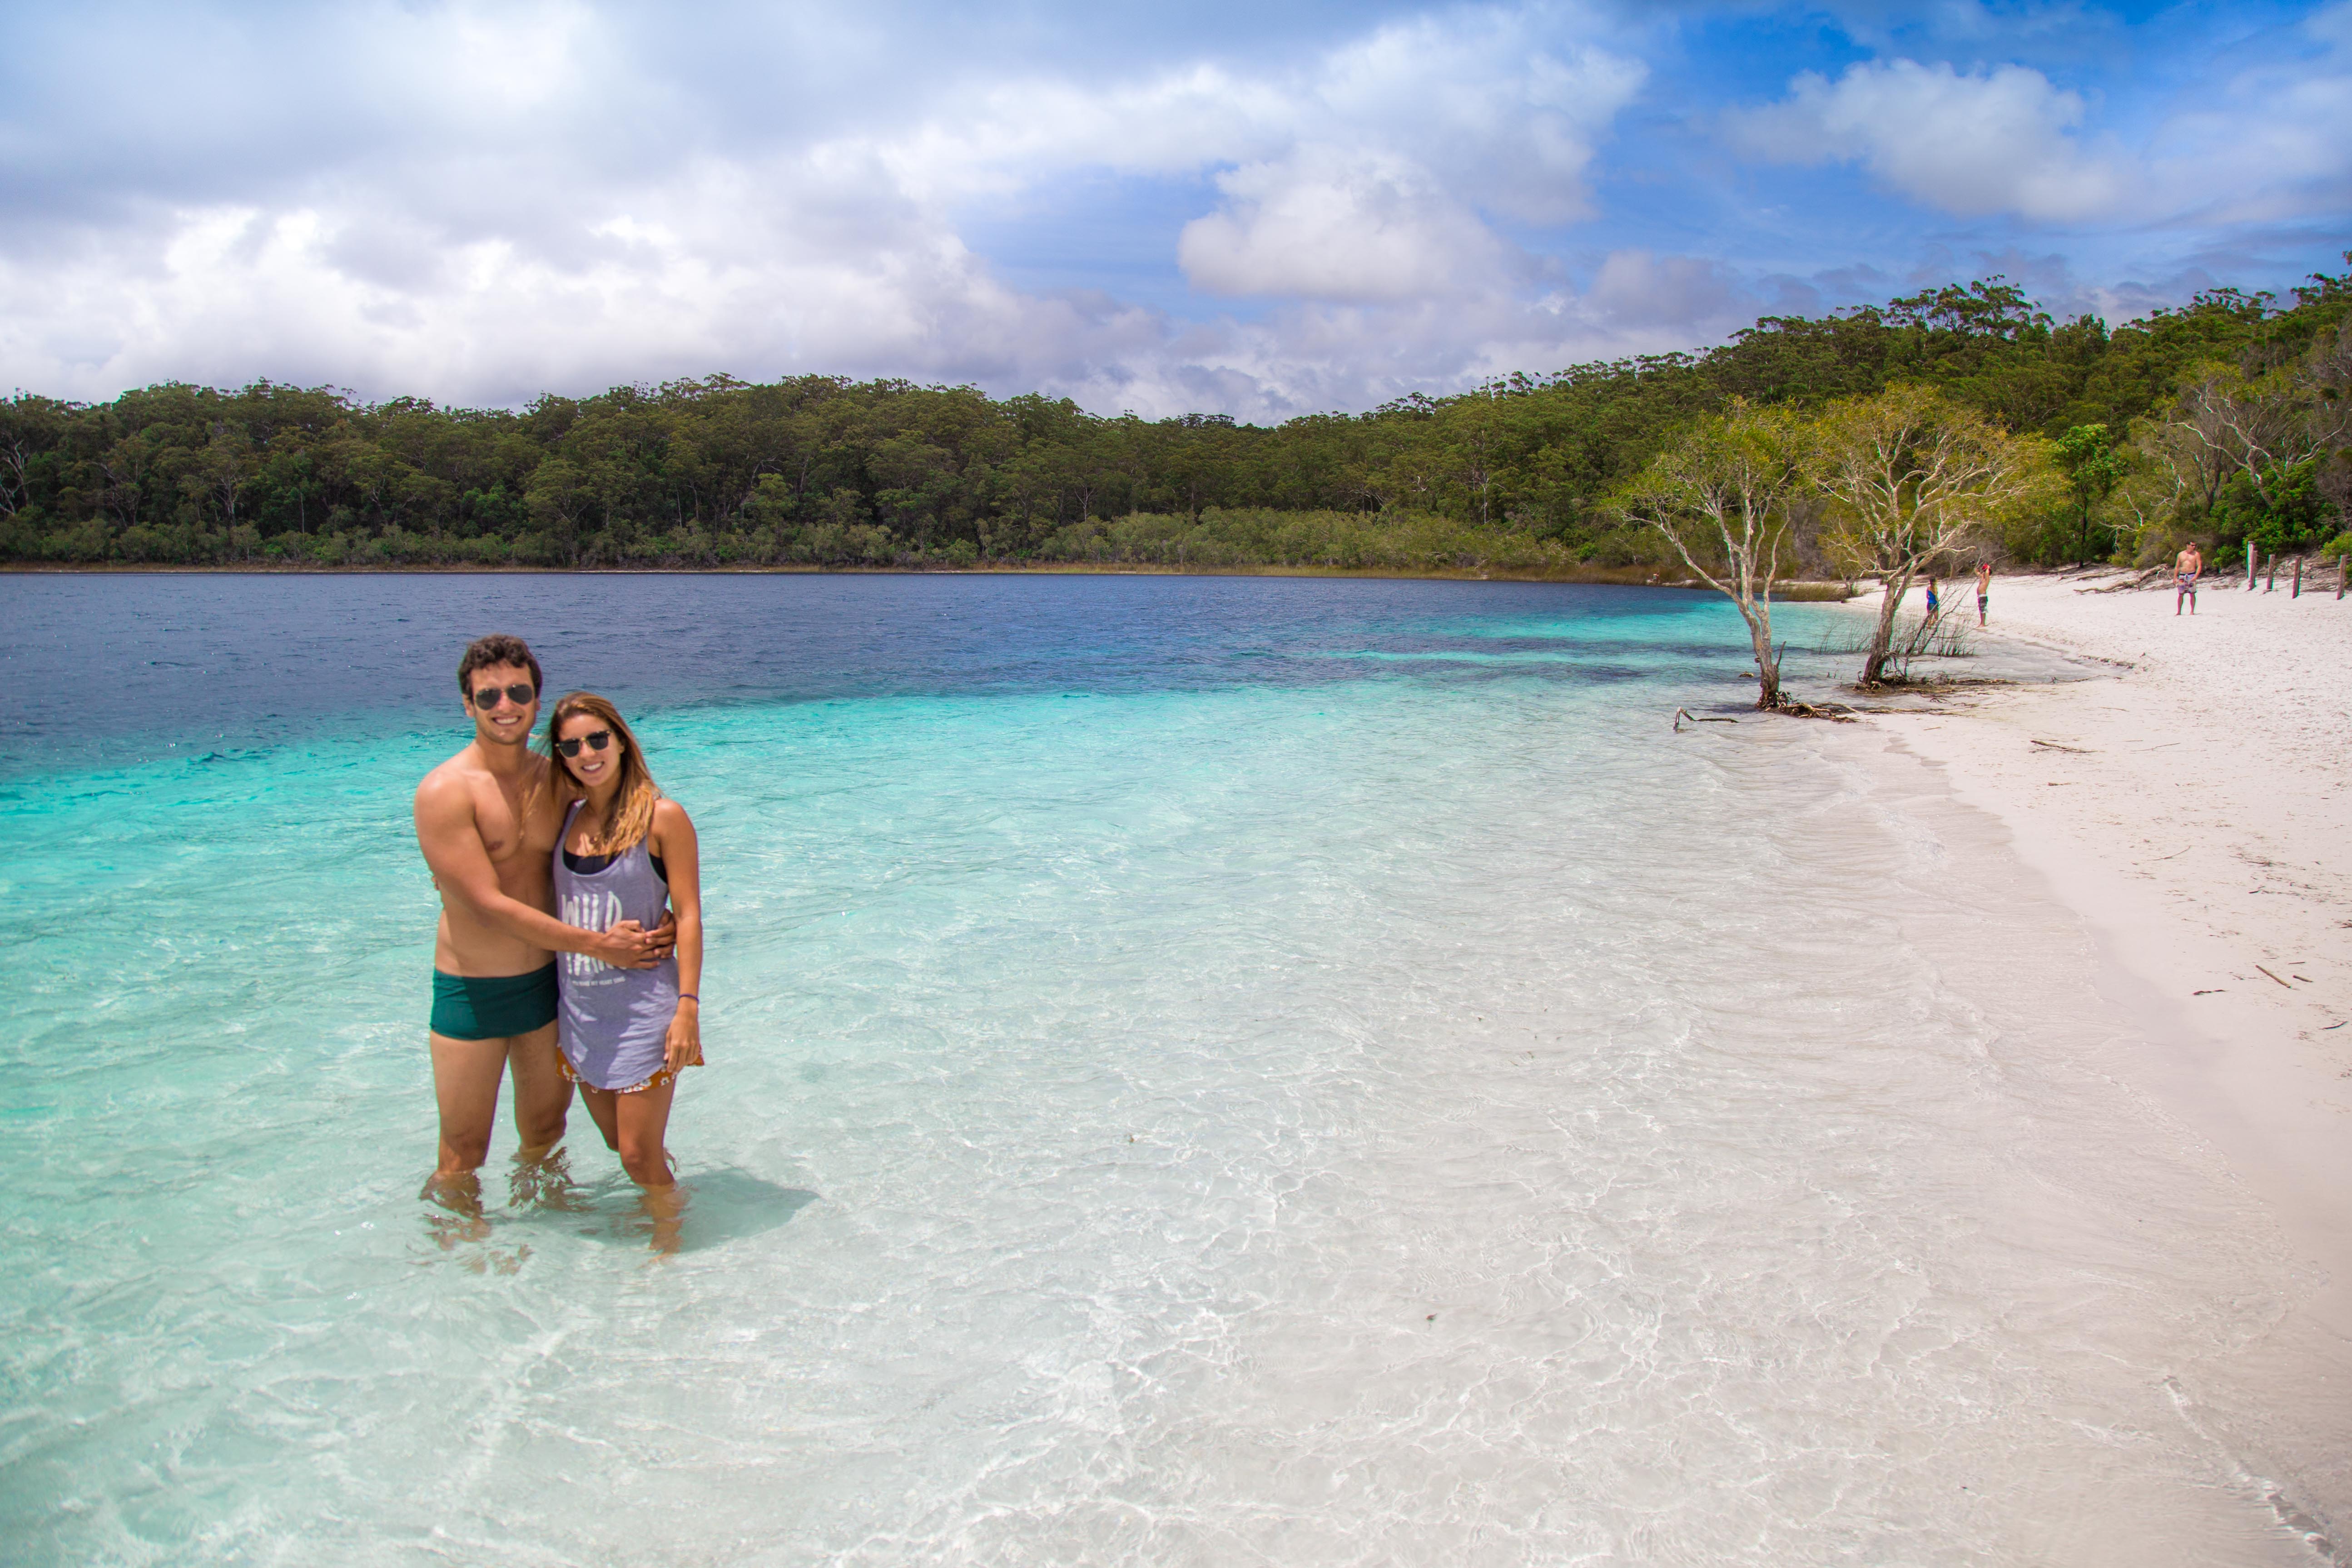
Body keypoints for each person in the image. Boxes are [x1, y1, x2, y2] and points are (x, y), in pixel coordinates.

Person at [412, 636, 669, 1224]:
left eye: (519, 692)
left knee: (545, 1132)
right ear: (466, 704)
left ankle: (540, 1242)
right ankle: (458, 1268)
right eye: (489, 695)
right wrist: (599, 945)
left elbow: (623, 839)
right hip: (473, 991)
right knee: (462, 1152)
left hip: (548, 989)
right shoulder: (444, 791)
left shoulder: (558, 780)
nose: (506, 705)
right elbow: (486, 905)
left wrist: (667, 911)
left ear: (536, 699)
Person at [546, 692, 704, 1247]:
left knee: (636, 1154)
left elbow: (687, 913)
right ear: (560, 756)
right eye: (571, 745)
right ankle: (665, 1187)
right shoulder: (564, 816)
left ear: (620, 740)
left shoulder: (662, 816)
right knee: (622, 1144)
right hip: (582, 1012)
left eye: (597, 738)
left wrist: (688, 1007)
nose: (587, 752)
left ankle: (671, 1244)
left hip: (645, 1010)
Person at [2175, 541, 2203, 615]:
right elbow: (2177, 567)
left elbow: (2199, 566)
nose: (2194, 547)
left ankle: (2192, 611)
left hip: (2191, 575)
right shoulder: (2181, 554)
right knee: (2181, 594)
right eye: (2193, 545)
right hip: (2182, 575)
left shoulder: (2196, 554)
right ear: (2188, 545)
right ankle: (2179, 612)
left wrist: (2196, 576)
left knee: (2192, 593)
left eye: (2195, 546)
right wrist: (2175, 577)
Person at [1975, 560, 1992, 627]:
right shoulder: (1982, 578)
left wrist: (1988, 568)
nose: (1984, 572)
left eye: (1985, 571)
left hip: (1983, 596)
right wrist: (1974, 566)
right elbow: (1977, 572)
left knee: (1983, 609)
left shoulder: (1987, 579)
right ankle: (1981, 623)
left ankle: (1983, 624)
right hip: (1980, 596)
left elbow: (1987, 573)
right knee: (1981, 609)